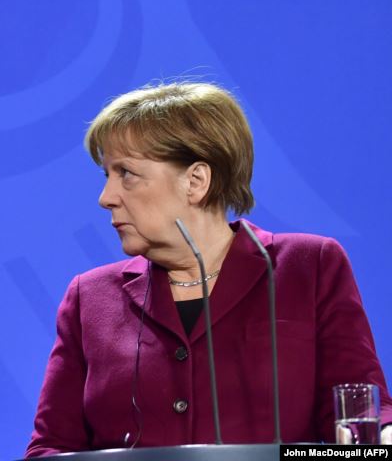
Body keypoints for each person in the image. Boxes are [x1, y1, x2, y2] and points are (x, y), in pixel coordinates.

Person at [25, 82, 392, 456]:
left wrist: (381, 436)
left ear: (196, 181)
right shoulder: (90, 297)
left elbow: (361, 411)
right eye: (107, 175)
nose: (106, 198)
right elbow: (51, 447)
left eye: (127, 174)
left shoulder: (308, 266)